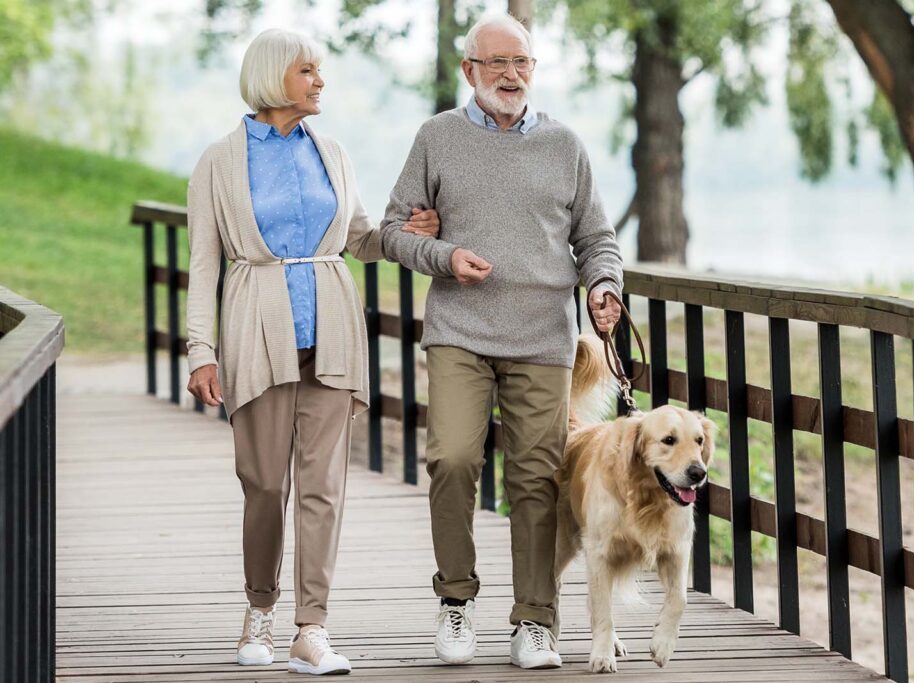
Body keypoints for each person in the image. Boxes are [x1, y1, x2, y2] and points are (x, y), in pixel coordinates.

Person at [185, 28, 439, 675]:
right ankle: (260, 610)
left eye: (319, 72)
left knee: (323, 486)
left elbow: (357, 237)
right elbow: (204, 264)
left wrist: (402, 233)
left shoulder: (333, 151)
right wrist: (200, 349)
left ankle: (311, 628)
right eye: (309, 71)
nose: (320, 81)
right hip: (256, 330)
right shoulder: (219, 160)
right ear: (275, 77)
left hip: (332, 327)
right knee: (264, 483)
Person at [379, 13, 624, 671]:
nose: (512, 75)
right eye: (498, 63)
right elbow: (394, 230)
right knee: (454, 458)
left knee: (536, 477)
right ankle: (455, 600)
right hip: (460, 330)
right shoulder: (437, 137)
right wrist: (446, 254)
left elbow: (596, 238)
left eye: (523, 62)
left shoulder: (565, 146)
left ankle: (535, 621)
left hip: (544, 337)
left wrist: (604, 284)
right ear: (470, 71)